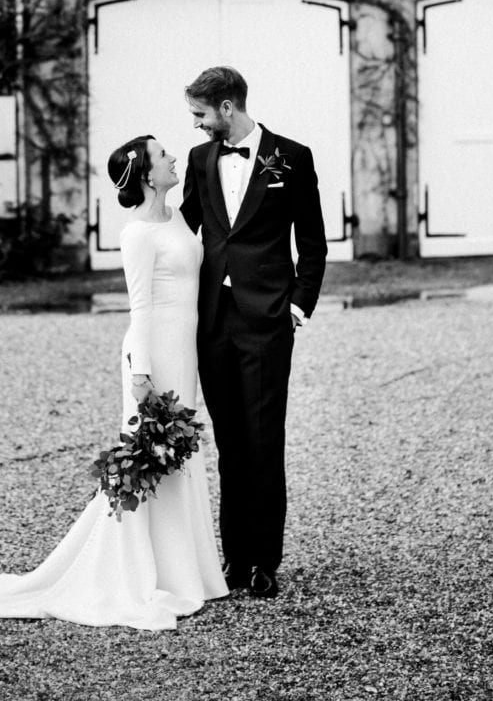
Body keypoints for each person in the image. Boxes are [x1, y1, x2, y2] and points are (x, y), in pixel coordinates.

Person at [0, 136, 227, 630]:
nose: (172, 158)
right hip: (154, 357)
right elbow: (140, 307)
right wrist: (141, 373)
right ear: (147, 173)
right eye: (163, 155)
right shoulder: (136, 234)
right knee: (150, 461)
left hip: (184, 355)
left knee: (179, 458)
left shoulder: (179, 217)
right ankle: (140, 574)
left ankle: (188, 573)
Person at [181, 66, 327, 601]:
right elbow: (185, 231)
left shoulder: (293, 156)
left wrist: (296, 307)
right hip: (213, 321)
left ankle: (266, 560)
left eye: (200, 114)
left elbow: (313, 243)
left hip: (266, 320)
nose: (195, 125)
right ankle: (234, 558)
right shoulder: (200, 160)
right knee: (229, 443)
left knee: (264, 440)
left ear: (226, 108)